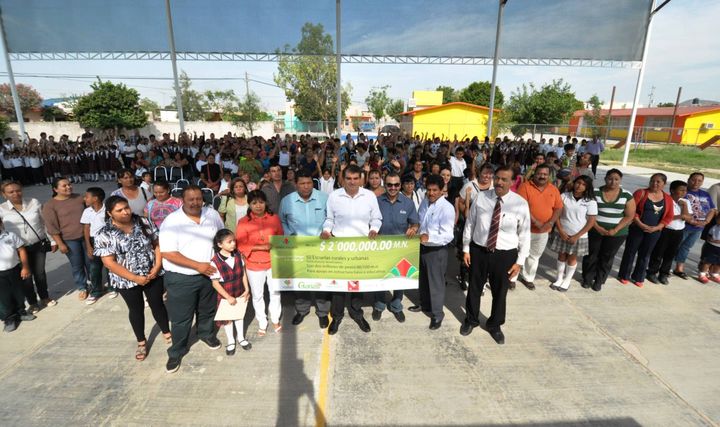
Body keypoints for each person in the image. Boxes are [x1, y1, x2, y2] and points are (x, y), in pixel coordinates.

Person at [94, 196, 171, 361]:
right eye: (119, 210)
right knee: (136, 309)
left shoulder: (144, 222)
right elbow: (109, 263)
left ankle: (167, 332)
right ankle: (141, 342)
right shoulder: (104, 234)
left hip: (152, 274)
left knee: (157, 304)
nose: (125, 212)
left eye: (126, 207)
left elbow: (157, 244)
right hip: (126, 280)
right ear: (110, 213)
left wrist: (157, 266)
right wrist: (135, 278)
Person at [461, 166, 530, 344]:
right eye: (497, 178)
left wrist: (520, 261)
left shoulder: (520, 203)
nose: (499, 182)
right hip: (479, 250)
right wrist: (466, 248)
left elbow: (524, 234)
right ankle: (471, 319)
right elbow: (470, 223)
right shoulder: (481, 197)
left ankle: (495, 325)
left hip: (505, 254)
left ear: (512, 182)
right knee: (474, 287)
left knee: (500, 292)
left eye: (504, 179)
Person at [159, 185, 225, 373]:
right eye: (191, 199)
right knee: (181, 318)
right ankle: (176, 351)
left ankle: (205, 334)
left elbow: (221, 237)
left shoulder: (211, 214)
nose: (196, 203)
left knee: (207, 310)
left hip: (209, 274)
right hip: (181, 278)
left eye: (199, 199)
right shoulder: (172, 221)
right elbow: (168, 253)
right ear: (182, 200)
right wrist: (198, 266)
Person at [322, 164, 382, 335]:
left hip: (361, 248)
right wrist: (326, 230)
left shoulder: (369, 196)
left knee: (357, 284)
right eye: (348, 178)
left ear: (361, 179)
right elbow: (329, 219)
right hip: (339, 247)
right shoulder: (334, 196)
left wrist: (374, 229)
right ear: (343, 178)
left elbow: (376, 218)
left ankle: (357, 314)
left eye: (356, 178)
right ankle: (337, 316)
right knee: (338, 285)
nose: (352, 182)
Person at [278, 170, 331, 329]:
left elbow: (331, 218)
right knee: (301, 281)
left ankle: (323, 312)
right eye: (302, 183)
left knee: (322, 280)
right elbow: (281, 221)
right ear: (296, 184)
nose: (306, 186)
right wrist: (289, 234)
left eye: (309, 183)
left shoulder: (324, 198)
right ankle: (302, 310)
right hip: (298, 248)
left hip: (320, 248)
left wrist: (327, 230)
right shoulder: (287, 201)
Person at [0, 180, 56, 311]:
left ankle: (44, 297)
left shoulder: (34, 202)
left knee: (40, 274)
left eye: (18, 190)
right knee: (26, 276)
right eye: (11, 192)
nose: (16, 194)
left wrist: (52, 240)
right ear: (4, 194)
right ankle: (32, 302)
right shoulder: (1, 209)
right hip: (18, 249)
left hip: (38, 244)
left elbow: (44, 222)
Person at [236, 190, 284, 335]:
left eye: (261, 202)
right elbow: (240, 245)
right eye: (254, 203)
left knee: (275, 292)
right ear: (249, 204)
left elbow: (280, 237)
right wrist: (261, 247)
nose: (258, 206)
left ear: (266, 203)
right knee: (257, 295)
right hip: (253, 264)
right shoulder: (243, 222)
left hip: (273, 262)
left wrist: (277, 245)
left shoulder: (274, 218)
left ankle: (275, 319)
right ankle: (262, 322)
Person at [373, 172, 419, 323]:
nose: (393, 188)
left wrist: (414, 228)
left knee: (400, 279)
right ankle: (379, 305)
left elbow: (415, 222)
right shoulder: (376, 202)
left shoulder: (408, 203)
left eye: (396, 185)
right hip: (380, 248)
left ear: (400, 185)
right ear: (384, 185)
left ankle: (396, 305)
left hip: (401, 249)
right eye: (389, 185)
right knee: (380, 278)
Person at [409, 174, 453, 329]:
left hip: (436, 250)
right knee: (423, 280)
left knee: (436, 284)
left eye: (435, 190)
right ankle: (425, 305)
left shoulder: (447, 208)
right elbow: (420, 222)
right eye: (428, 190)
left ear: (441, 190)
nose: (431, 193)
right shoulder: (425, 202)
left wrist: (429, 237)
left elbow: (448, 235)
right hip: (422, 247)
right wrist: (415, 228)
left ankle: (437, 315)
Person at [582, 169, 636, 291]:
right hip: (595, 230)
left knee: (607, 257)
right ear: (605, 178)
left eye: (616, 179)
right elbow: (587, 211)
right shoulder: (595, 192)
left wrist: (615, 230)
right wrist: (597, 227)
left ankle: (599, 280)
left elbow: (629, 216)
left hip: (617, 233)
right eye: (610, 178)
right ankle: (587, 278)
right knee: (591, 255)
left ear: (620, 180)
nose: (613, 182)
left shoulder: (626, 195)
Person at [618, 173, 674, 287]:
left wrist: (658, 227)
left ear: (664, 184)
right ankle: (624, 275)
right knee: (630, 252)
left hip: (654, 231)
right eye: (652, 181)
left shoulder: (667, 198)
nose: (654, 183)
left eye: (658, 182)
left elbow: (669, 216)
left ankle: (639, 277)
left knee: (645, 254)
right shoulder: (641, 193)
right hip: (637, 229)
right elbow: (631, 209)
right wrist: (639, 223)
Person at [42, 177, 93, 301]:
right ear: (55, 189)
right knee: (77, 265)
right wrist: (60, 243)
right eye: (64, 186)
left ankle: (94, 283)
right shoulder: (50, 205)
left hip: (86, 236)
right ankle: (82, 287)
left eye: (69, 184)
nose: (68, 187)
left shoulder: (79, 198)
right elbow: (52, 227)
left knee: (90, 262)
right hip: (69, 240)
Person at [516, 164, 563, 290]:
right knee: (518, 253)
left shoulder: (553, 189)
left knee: (534, 256)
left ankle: (528, 278)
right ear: (534, 174)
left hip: (543, 231)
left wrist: (550, 223)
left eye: (545, 174)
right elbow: (521, 206)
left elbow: (558, 208)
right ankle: (512, 278)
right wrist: (535, 221)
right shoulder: (525, 186)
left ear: (549, 176)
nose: (542, 176)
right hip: (524, 229)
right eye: (539, 173)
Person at [547, 175, 597, 291]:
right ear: (574, 183)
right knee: (561, 256)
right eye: (578, 183)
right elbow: (557, 214)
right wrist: (560, 231)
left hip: (579, 236)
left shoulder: (590, 201)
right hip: (562, 233)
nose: (580, 186)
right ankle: (559, 278)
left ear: (587, 187)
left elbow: (591, 221)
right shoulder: (564, 196)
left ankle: (567, 280)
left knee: (572, 258)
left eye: (584, 184)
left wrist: (576, 236)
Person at [209, 229, 252, 356]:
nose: (233, 244)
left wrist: (247, 289)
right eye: (229, 242)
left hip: (239, 290)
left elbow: (243, 273)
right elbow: (215, 283)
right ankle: (231, 341)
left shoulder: (238, 255)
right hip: (225, 293)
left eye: (234, 241)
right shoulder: (215, 261)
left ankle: (241, 338)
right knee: (227, 319)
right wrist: (228, 297)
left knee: (239, 315)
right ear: (220, 244)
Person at [673, 172, 716, 280]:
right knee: (674, 246)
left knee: (686, 247)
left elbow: (712, 209)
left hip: (698, 228)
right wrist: (691, 221)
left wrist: (706, 221)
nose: (696, 182)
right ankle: (664, 266)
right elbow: (676, 207)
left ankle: (679, 268)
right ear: (688, 180)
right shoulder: (683, 192)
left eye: (699, 180)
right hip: (684, 226)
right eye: (693, 180)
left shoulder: (705, 194)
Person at [646, 180, 690, 285]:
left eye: (685, 190)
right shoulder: (666, 200)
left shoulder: (685, 202)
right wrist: (680, 216)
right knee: (658, 252)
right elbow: (665, 217)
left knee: (670, 254)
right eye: (681, 190)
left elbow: (687, 217)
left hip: (679, 231)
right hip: (666, 230)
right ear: (672, 190)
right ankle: (652, 272)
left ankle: (664, 274)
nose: (684, 192)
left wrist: (684, 206)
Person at [0, 218, 35, 332]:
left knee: (19, 293)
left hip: (15, 269)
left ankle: (21, 312)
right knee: (4, 297)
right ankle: (9, 318)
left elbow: (22, 250)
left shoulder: (10, 235)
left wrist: (25, 267)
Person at [80, 187, 112, 305]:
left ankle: (112, 287)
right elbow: (86, 228)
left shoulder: (107, 210)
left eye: (87, 197)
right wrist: (88, 245)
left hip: (107, 240)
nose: (84, 199)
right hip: (93, 241)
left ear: (95, 198)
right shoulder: (87, 211)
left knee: (110, 265)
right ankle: (96, 291)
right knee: (94, 267)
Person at [697, 215, 720, 283]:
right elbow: (709, 235)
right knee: (708, 261)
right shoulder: (714, 227)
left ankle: (714, 274)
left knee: (718, 263)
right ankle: (702, 274)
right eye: (718, 219)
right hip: (712, 246)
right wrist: (710, 239)